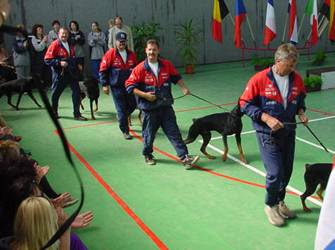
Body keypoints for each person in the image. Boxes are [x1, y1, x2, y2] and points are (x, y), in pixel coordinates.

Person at [239, 43, 308, 227]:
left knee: (286, 171)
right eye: (289, 65)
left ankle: (279, 201)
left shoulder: (297, 79)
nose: (293, 68)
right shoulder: (259, 79)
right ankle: (270, 205)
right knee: (275, 172)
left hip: (289, 132)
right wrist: (266, 117)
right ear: (278, 61)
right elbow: (244, 103)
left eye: (294, 65)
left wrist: (301, 112)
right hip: (267, 133)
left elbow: (300, 99)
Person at [125, 39, 199, 168]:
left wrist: (184, 88)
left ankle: (185, 157)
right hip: (149, 110)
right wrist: (145, 95)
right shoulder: (140, 68)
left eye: (154, 49)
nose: (151, 52)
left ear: (158, 51)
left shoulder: (166, 64)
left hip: (165, 107)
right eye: (149, 49)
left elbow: (176, 77)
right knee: (149, 135)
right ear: (146, 51)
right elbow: (130, 87)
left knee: (174, 133)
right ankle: (148, 155)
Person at [100, 32, 137, 140]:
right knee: (121, 108)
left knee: (133, 105)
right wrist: (104, 84)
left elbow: (136, 70)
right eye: (119, 41)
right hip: (116, 87)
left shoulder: (131, 54)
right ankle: (125, 131)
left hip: (130, 86)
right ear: (115, 42)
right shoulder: (110, 53)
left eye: (123, 41)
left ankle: (122, 117)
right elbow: (103, 70)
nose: (122, 43)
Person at [44, 27, 87, 121]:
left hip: (71, 73)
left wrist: (77, 64)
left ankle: (77, 114)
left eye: (66, 33)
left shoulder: (70, 44)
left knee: (76, 93)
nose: (64, 35)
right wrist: (59, 63)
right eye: (62, 33)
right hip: (60, 74)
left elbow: (72, 57)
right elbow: (47, 60)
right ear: (58, 34)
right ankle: (54, 113)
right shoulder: (54, 44)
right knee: (56, 94)